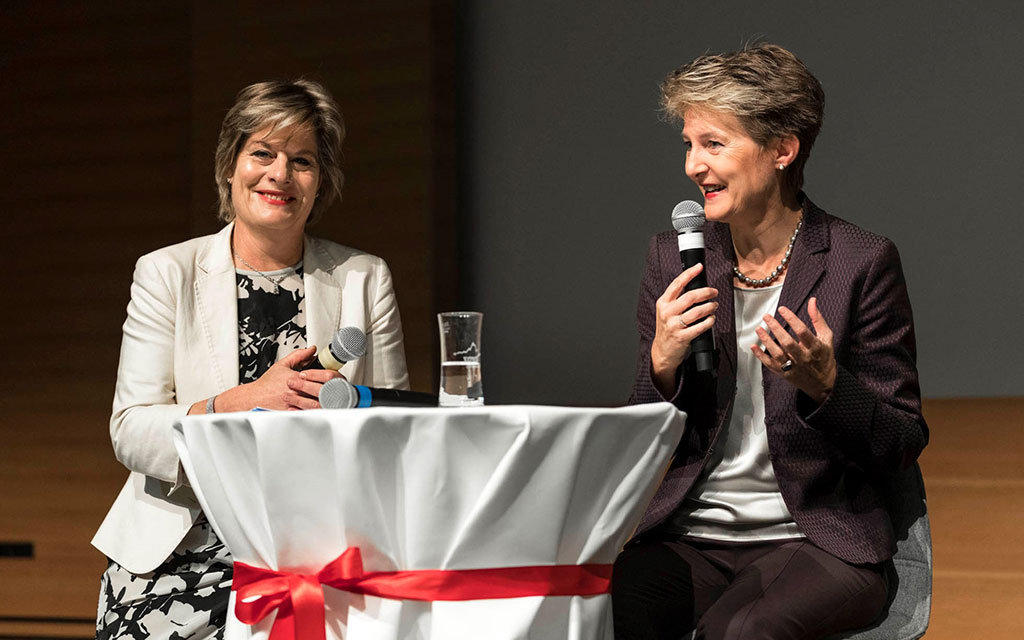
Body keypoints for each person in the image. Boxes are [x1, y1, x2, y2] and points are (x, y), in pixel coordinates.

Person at [612, 44, 928, 640]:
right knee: (594, 612)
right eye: (688, 144)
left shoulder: (860, 262)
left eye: (713, 144)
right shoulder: (673, 259)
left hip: (815, 537)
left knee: (742, 633)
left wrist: (828, 387)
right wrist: (660, 366)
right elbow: (637, 444)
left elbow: (902, 441)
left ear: (782, 150)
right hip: (691, 534)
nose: (692, 166)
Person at [91, 78, 409, 639]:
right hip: (181, 550)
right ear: (231, 165)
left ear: (321, 181)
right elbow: (131, 430)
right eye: (262, 152)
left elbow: (396, 433)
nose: (280, 174)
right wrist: (234, 404)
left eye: (302, 161)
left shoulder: (364, 277)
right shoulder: (167, 272)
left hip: (316, 552)